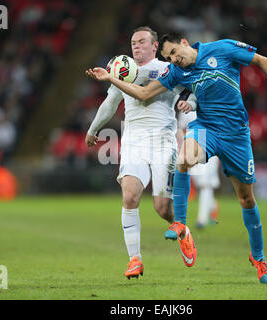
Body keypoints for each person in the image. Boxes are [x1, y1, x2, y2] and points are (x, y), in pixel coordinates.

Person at [86, 33, 267, 284]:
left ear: (183, 43)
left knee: (246, 199)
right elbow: (144, 93)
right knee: (184, 159)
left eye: (174, 53)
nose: (174, 60)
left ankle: (259, 258)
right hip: (205, 128)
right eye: (169, 57)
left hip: (236, 134)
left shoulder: (222, 49)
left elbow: (261, 59)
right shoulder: (175, 71)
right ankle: (180, 226)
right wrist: (110, 78)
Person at [85, 27, 197, 279]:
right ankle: (134, 259)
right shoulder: (123, 70)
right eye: (133, 42)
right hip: (133, 141)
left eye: (142, 42)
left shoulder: (168, 69)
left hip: (163, 141)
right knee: (130, 196)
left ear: (155, 46)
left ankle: (183, 230)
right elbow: (110, 104)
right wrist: (93, 130)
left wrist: (190, 103)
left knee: (162, 208)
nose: (136, 46)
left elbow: (192, 91)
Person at [177, 108, 220, 229]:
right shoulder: (187, 108)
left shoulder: (213, 104)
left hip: (210, 148)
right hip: (192, 149)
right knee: (198, 182)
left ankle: (202, 220)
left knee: (204, 184)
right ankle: (213, 206)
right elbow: (181, 129)